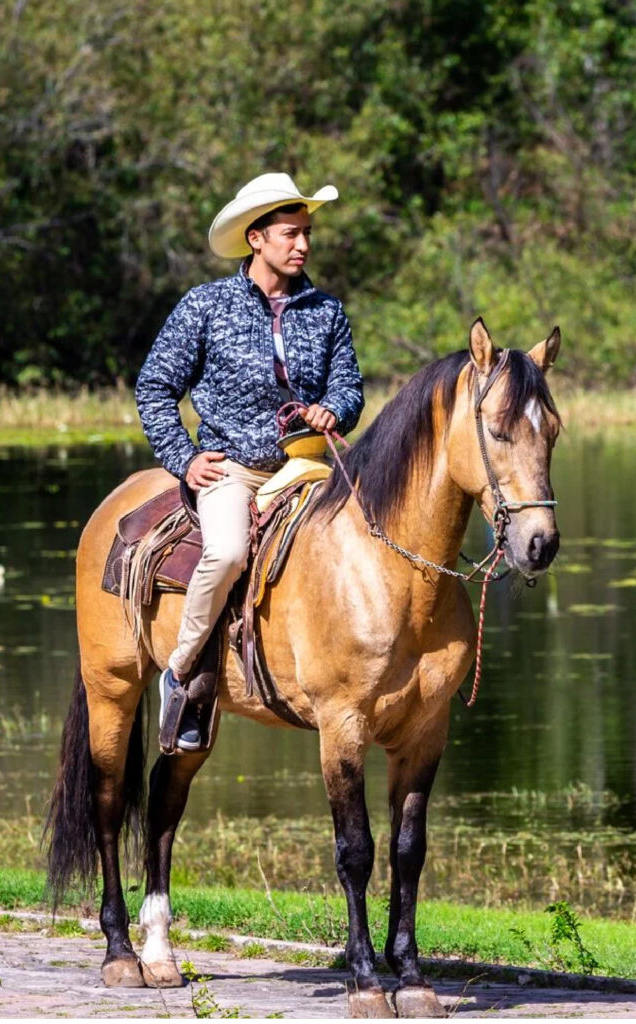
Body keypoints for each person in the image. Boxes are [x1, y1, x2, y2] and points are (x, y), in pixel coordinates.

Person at [135, 173, 364, 750]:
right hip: (232, 467)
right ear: (256, 238)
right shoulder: (206, 306)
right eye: (291, 234)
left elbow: (350, 388)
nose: (303, 245)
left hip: (309, 464)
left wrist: (331, 410)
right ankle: (181, 673)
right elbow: (155, 387)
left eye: (307, 233)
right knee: (230, 551)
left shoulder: (327, 311)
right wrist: (184, 458)